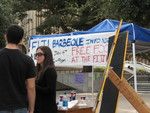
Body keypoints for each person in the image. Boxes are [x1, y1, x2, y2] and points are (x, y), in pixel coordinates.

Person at [0, 25, 36, 113]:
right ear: (21, 40)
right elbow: (31, 87)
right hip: (21, 106)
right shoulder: (28, 60)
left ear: (6, 36)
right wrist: (31, 110)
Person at [34, 46, 57, 113]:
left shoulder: (50, 70)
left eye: (40, 54)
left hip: (47, 108)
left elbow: (50, 90)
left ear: (47, 55)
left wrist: (33, 85)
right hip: (38, 107)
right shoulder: (38, 70)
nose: (37, 57)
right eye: (36, 55)